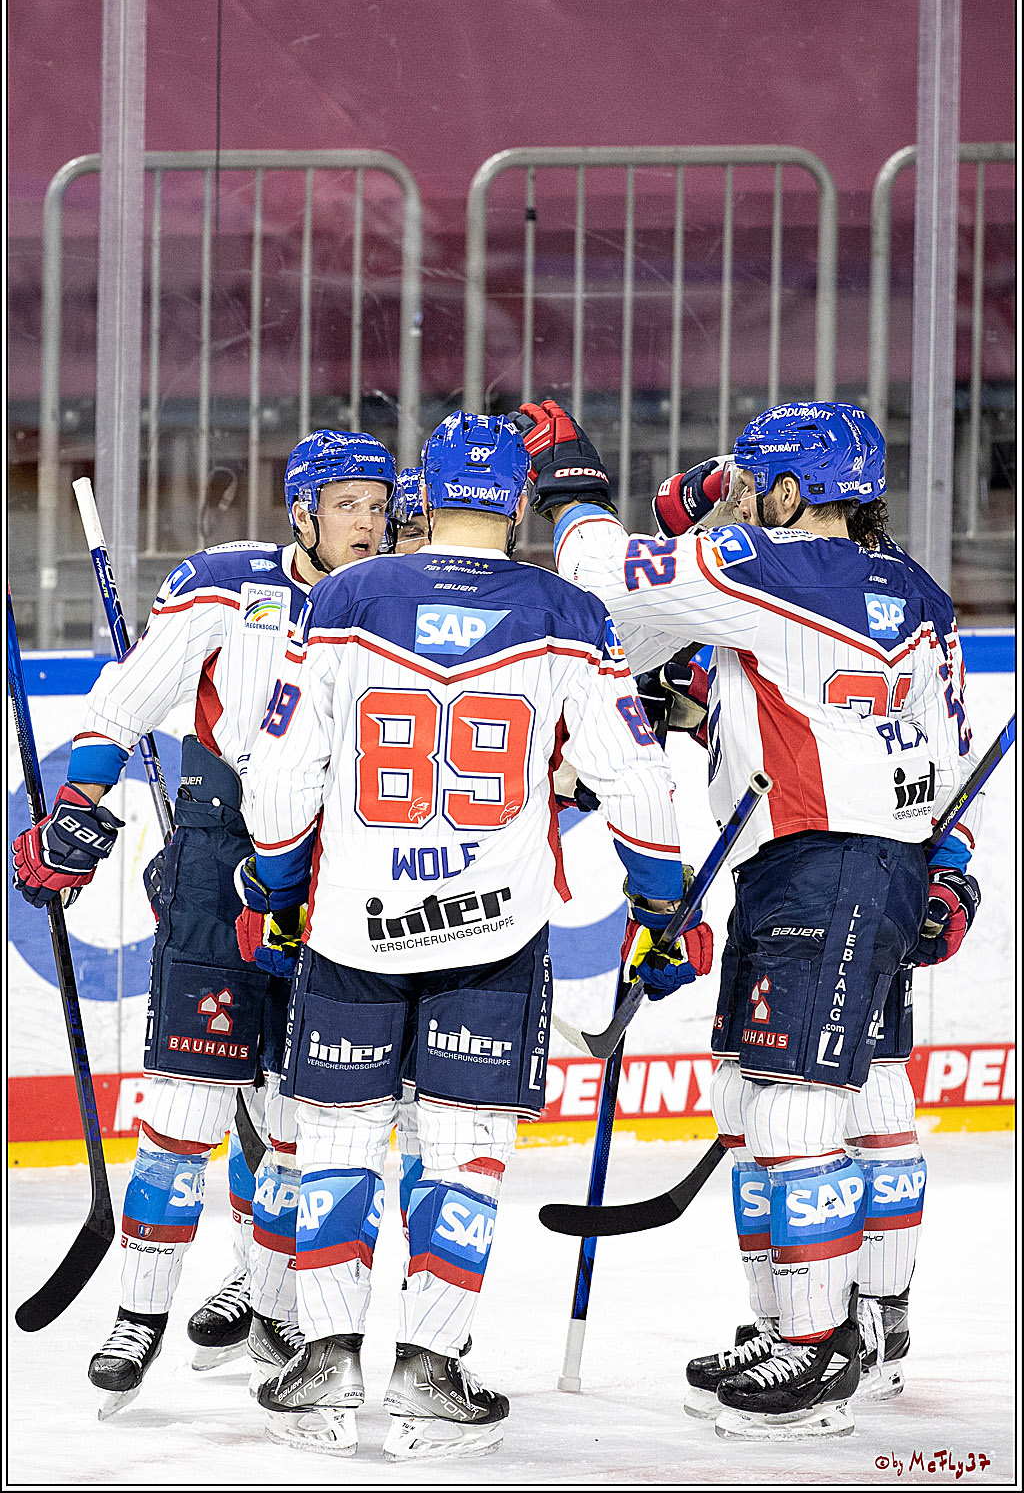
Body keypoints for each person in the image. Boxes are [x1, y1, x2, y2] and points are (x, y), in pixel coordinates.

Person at [237, 411, 713, 1461]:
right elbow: (633, 778)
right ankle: (427, 1369)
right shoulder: (569, 613)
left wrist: (275, 879)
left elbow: (279, 776)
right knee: (464, 1155)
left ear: (422, 491)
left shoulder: (341, 600)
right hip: (494, 933)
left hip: (352, 929)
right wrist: (659, 904)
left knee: (338, 1142)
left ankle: (322, 1360)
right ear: (513, 496)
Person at [513, 397, 981, 1441]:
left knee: (789, 1106)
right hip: (858, 863)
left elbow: (598, 579)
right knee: (807, 1092)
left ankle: (814, 1347)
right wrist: (951, 864)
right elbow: (944, 744)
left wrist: (579, 489)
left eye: (751, 480)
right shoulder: (914, 587)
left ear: (787, 491)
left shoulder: (764, 569)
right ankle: (845, 1319)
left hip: (826, 868)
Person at [11, 428, 397, 1415]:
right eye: (347, 502)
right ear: (301, 511)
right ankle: (137, 1315)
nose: (368, 520)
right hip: (221, 855)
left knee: (297, 1122)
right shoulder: (229, 586)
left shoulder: (398, 605)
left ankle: (269, 1302)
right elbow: (118, 708)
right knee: (184, 1104)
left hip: (344, 871)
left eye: (379, 503)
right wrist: (76, 811)